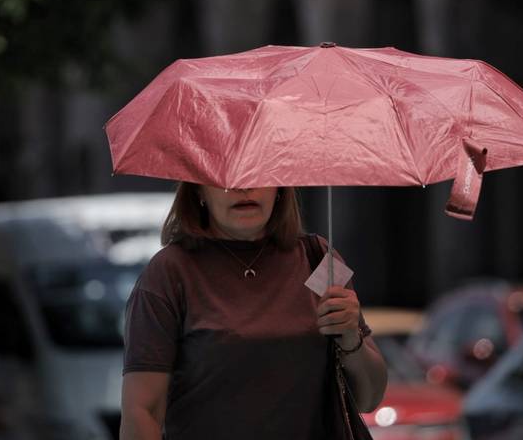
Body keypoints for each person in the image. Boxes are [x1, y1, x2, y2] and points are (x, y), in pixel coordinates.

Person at [120, 183, 387, 440]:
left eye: (258, 174)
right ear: (199, 190)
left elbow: (369, 399)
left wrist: (352, 336)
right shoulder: (169, 272)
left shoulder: (318, 258)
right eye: (226, 179)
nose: (244, 187)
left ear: (280, 189)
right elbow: (142, 412)